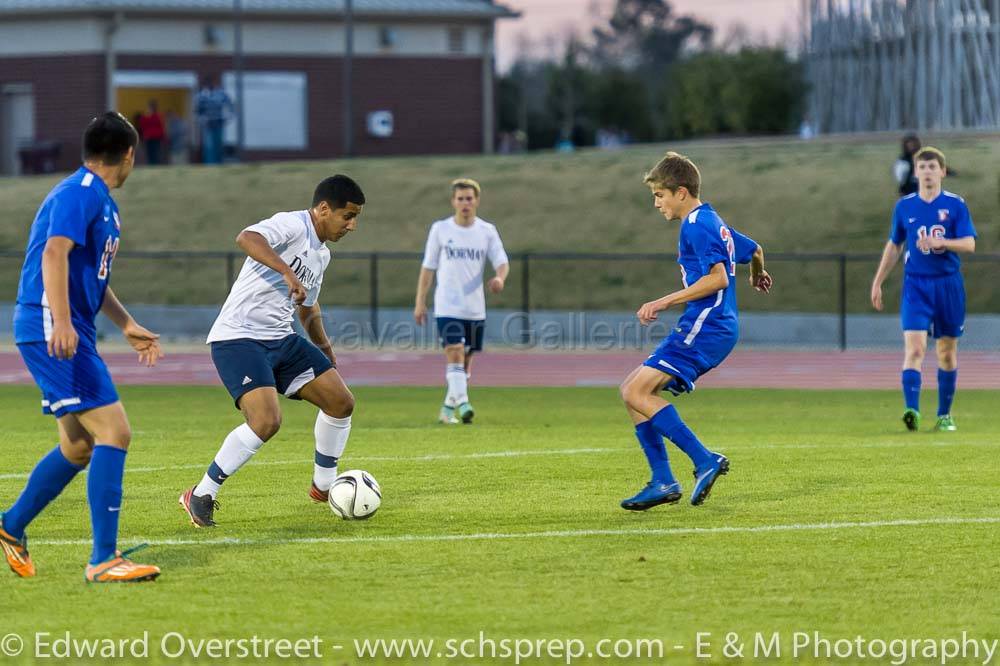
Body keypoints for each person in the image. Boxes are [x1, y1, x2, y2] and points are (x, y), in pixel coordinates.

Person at [1, 112, 163, 582]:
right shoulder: (80, 192)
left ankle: (11, 527)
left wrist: (126, 323)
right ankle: (103, 559)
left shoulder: (101, 201)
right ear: (129, 153)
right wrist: (63, 321)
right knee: (115, 432)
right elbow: (54, 252)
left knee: (77, 447)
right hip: (53, 325)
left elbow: (93, 277)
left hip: (66, 325)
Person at [179, 175, 365, 527]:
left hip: (280, 339)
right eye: (348, 216)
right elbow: (246, 237)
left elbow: (308, 307)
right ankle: (201, 493)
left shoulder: (321, 255)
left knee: (341, 401)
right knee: (266, 421)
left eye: (356, 218)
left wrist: (324, 348)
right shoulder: (292, 224)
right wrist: (285, 272)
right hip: (238, 338)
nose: (352, 225)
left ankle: (324, 487)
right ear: (324, 209)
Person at [618, 152, 772, 511]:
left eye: (660, 195)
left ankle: (704, 460)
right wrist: (754, 273)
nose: (656, 203)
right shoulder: (712, 221)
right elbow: (755, 250)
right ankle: (662, 481)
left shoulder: (696, 225)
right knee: (632, 391)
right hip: (713, 325)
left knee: (637, 391)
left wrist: (663, 301)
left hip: (708, 324)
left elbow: (717, 277)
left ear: (681, 192)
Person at [871, 147, 976, 432]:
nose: (927, 172)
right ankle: (912, 411)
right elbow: (894, 246)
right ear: (916, 172)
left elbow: (969, 243)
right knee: (915, 347)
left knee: (946, 352)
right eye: (923, 167)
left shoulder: (955, 205)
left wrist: (944, 244)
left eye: (933, 167)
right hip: (916, 285)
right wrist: (878, 280)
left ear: (942, 171)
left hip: (948, 285)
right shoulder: (904, 206)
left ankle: (944, 415)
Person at [414, 179, 509, 425]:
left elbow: (501, 260)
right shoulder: (441, 229)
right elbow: (428, 268)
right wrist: (420, 302)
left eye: (469, 198)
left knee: (465, 362)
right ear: (453, 201)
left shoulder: (487, 231)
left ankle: (447, 409)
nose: (465, 203)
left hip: (475, 308)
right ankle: (464, 403)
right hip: (447, 305)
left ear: (476, 200)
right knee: (454, 352)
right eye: (460, 198)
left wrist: (499, 277)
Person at [195, 77, 232, 165]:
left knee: (218, 145)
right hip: (208, 124)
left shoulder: (221, 94)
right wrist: (202, 120)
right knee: (209, 146)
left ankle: (219, 164)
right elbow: (197, 111)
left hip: (219, 122)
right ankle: (209, 164)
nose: (210, 85)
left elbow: (230, 105)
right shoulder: (201, 96)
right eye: (208, 84)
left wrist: (227, 118)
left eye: (212, 83)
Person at [137, 100, 166, 165]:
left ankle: (154, 164)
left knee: (154, 152)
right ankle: (152, 164)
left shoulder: (156, 116)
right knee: (152, 152)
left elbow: (143, 124)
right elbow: (142, 124)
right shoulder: (155, 115)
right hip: (151, 137)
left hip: (154, 137)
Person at [893, 133, 921, 197]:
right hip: (908, 190)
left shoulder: (922, 158)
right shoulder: (903, 160)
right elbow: (900, 178)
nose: (912, 147)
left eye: (914, 145)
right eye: (910, 145)